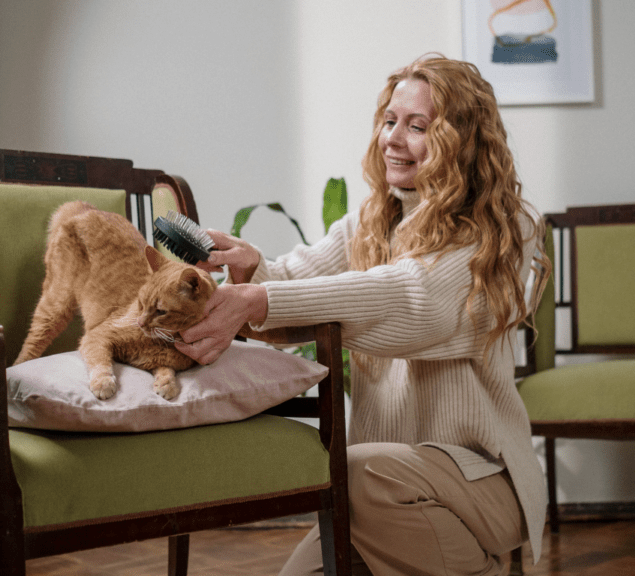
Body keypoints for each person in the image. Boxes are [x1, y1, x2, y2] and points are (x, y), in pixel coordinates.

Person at [176, 54, 551, 576]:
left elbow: (411, 298)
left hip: (479, 478)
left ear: (461, 140)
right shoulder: (373, 221)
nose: (393, 138)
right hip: (384, 483)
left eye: (417, 126)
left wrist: (263, 301)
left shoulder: (501, 231)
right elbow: (294, 281)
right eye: (389, 120)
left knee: (356, 472)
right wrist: (252, 268)